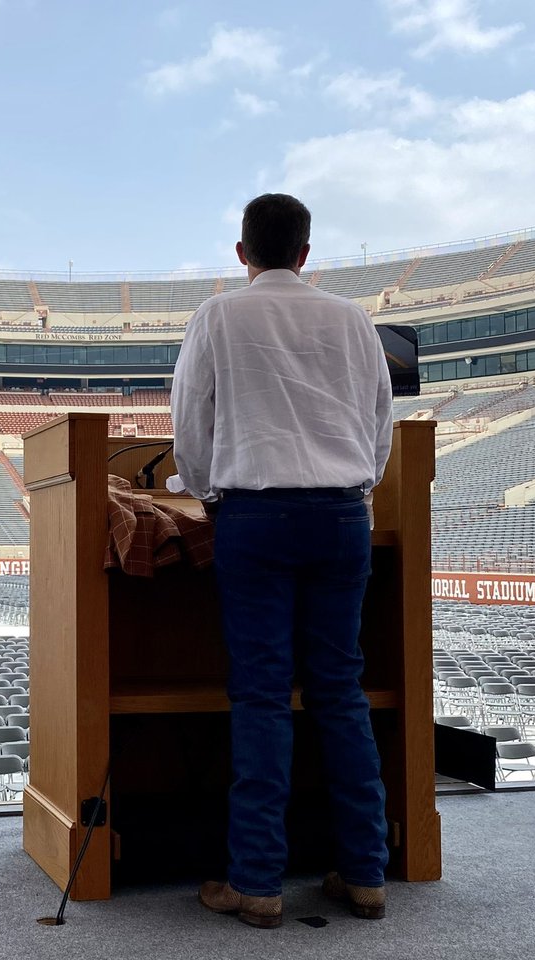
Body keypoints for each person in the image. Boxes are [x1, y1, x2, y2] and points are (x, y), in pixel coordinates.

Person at [170, 193, 393, 928]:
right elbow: (378, 425)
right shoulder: (355, 320)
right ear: (305, 253)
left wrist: (205, 493)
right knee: (340, 692)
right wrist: (356, 496)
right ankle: (366, 875)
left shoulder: (219, 315)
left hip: (256, 518)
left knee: (262, 696)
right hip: (339, 517)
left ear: (242, 253)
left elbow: (190, 423)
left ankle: (257, 883)